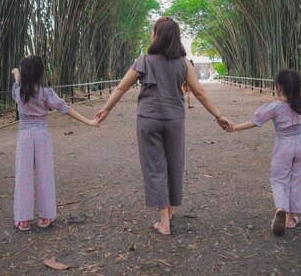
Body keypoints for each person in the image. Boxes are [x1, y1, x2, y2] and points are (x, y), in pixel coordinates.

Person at [94, 16, 234, 235]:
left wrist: (106, 110)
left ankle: (164, 222)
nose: (152, 34)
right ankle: (168, 210)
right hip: (175, 120)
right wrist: (218, 115)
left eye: (153, 31)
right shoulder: (183, 63)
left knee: (155, 165)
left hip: (148, 119)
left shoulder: (144, 61)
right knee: (173, 163)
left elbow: (121, 88)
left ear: (157, 36)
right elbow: (199, 92)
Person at [11, 56, 98, 232]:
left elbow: (17, 76)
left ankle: (24, 219)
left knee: (23, 176)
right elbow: (66, 109)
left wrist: (16, 71)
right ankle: (46, 216)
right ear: (41, 74)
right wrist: (88, 121)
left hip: (25, 135)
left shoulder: (18, 90)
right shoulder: (46, 93)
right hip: (42, 135)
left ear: (25, 74)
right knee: (45, 174)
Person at [227, 69, 301, 236]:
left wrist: (234, 128)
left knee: (279, 179)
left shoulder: (275, 107)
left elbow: (255, 121)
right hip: (300, 145)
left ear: (278, 87)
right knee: (297, 180)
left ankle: (280, 208)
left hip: (284, 146)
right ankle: (289, 218)